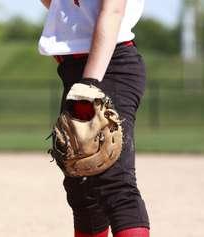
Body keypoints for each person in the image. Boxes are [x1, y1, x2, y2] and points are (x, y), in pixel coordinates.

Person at [39, 1, 150, 237]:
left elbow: (113, 11)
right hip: (74, 68)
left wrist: (89, 84)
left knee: (115, 182)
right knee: (81, 181)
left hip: (109, 66)